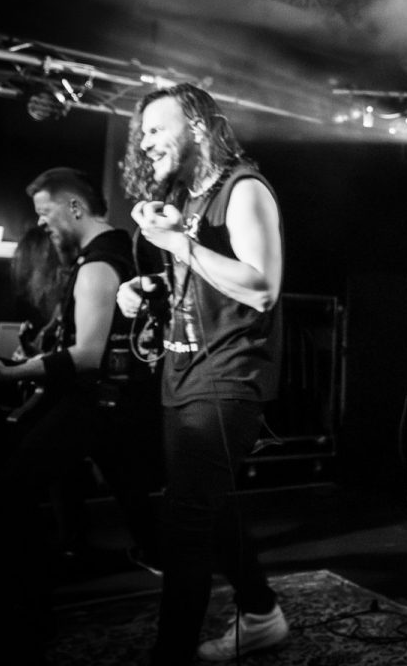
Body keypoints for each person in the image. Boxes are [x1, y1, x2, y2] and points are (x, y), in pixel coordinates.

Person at [0, 168, 163, 664]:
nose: (41, 224)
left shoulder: (100, 263)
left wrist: (12, 373)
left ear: (74, 207)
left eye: (45, 212)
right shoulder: (112, 254)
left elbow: (88, 354)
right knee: (125, 495)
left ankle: (28, 612)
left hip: (99, 402)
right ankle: (131, 559)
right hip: (113, 403)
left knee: (13, 489)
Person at [116, 83, 288, 664]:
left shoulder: (243, 189)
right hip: (182, 372)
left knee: (186, 522)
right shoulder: (186, 199)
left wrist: (177, 244)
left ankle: (171, 654)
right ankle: (261, 613)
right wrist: (147, 287)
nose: (145, 143)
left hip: (228, 376)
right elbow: (201, 280)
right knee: (208, 508)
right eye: (142, 133)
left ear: (195, 126)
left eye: (155, 129)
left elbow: (261, 288)